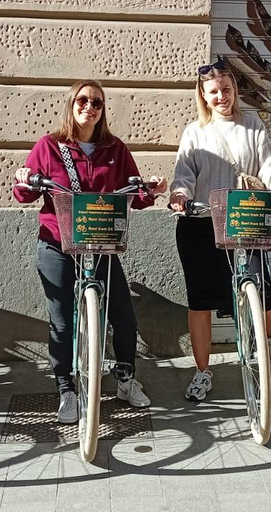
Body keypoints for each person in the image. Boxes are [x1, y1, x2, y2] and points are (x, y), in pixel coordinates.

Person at [13, 79, 167, 423]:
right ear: (71, 104)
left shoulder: (115, 148)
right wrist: (24, 178)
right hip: (57, 243)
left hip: (102, 245)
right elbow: (25, 194)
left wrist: (153, 189)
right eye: (83, 100)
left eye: (97, 102)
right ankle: (67, 389)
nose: (90, 107)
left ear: (103, 109)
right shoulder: (50, 146)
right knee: (62, 322)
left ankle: (126, 379)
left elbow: (135, 195)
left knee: (125, 318)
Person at [169, 57, 271, 401]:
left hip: (245, 218)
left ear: (235, 90)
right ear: (203, 94)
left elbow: (269, 166)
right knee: (200, 301)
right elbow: (183, 173)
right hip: (201, 222)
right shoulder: (194, 132)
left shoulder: (252, 123)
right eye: (213, 91)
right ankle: (202, 371)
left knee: (264, 290)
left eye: (226, 89)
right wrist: (181, 194)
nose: (221, 97)